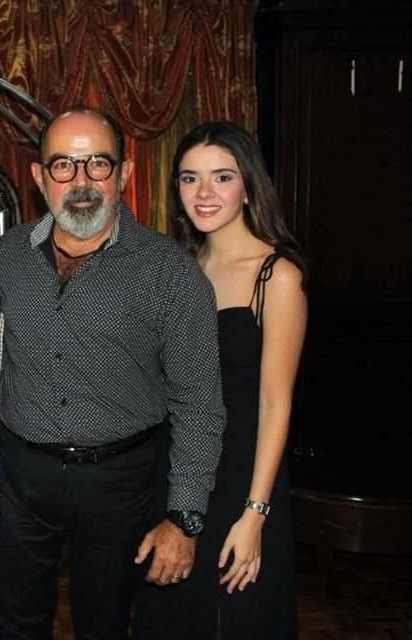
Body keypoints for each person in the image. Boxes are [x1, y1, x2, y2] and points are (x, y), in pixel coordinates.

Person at [0, 107, 227, 640]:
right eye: (63, 166)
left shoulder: (169, 272)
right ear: (38, 178)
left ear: (125, 174)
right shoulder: (5, 258)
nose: (81, 182)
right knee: (15, 622)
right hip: (22, 479)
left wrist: (185, 518)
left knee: (104, 625)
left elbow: (199, 405)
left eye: (98, 164)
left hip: (119, 484)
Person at [133, 121, 306, 639]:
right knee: (171, 618)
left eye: (221, 177)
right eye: (190, 178)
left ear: (248, 186)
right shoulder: (175, 270)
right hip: (172, 472)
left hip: (243, 479)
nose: (203, 193)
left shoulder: (277, 276)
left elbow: (276, 404)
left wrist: (255, 515)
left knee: (237, 619)